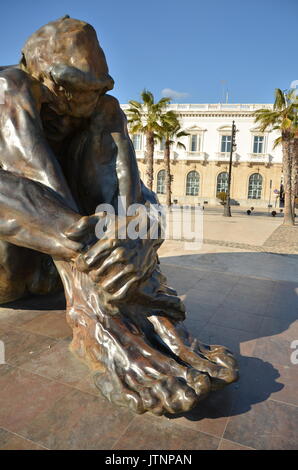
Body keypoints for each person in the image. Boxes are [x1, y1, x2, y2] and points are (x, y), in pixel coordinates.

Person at [0, 16, 238, 414]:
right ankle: (102, 327)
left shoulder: (100, 113)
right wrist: (89, 243)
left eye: (95, 90)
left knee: (111, 134)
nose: (81, 103)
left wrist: (140, 238)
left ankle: (136, 316)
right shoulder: (12, 87)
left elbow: (140, 199)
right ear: (34, 69)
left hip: (55, 277)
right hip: (10, 270)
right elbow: (27, 182)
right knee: (8, 91)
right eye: (67, 87)